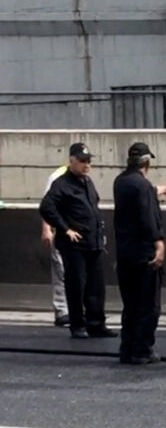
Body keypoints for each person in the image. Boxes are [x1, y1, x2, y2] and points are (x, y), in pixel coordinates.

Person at [39, 143, 117, 339]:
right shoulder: (61, 184)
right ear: (72, 161)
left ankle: (96, 323)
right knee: (76, 285)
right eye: (82, 161)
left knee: (96, 286)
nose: (86, 165)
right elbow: (46, 207)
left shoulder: (87, 183)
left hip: (93, 242)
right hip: (74, 245)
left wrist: (101, 232)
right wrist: (65, 229)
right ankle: (78, 324)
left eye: (89, 161)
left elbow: (94, 209)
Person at [113, 142, 166, 365]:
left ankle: (127, 348)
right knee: (148, 305)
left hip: (125, 254)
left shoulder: (121, 181)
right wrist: (159, 244)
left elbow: (141, 193)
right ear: (147, 162)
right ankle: (142, 349)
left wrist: (159, 189)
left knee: (130, 305)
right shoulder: (142, 186)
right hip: (144, 254)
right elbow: (148, 218)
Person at [41, 163, 70, 328]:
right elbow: (47, 205)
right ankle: (61, 311)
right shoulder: (57, 177)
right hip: (60, 230)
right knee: (61, 270)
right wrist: (46, 229)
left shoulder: (83, 178)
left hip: (76, 232)